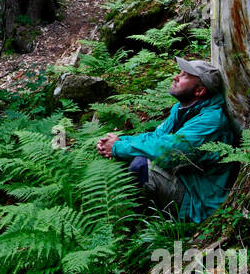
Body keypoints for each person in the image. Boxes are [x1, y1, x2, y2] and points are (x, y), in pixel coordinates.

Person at [96, 58, 241, 223]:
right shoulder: (182, 109)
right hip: (184, 179)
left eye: (185, 75)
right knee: (129, 158)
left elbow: (168, 151)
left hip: (197, 202)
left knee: (141, 165)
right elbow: (157, 137)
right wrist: (120, 141)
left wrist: (118, 147)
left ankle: (133, 228)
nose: (176, 77)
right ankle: (129, 221)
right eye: (180, 72)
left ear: (199, 91)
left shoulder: (211, 121)